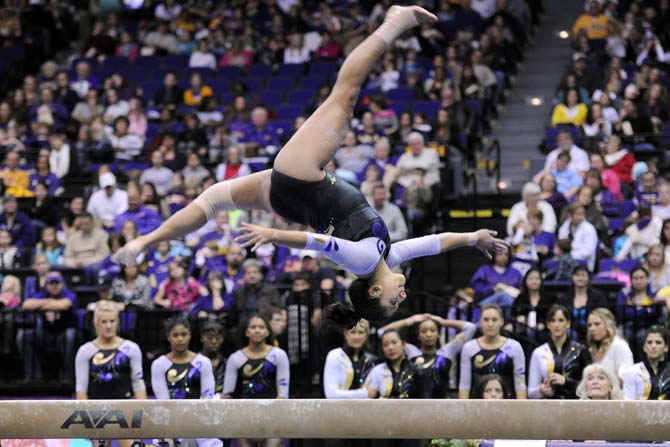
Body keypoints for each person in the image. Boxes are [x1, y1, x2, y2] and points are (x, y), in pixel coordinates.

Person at [115, 6, 506, 325]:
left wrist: (274, 235)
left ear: (374, 291)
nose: (400, 298)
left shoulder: (366, 260)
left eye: (391, 303)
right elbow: (435, 244)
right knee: (214, 199)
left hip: (302, 180)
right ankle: (145, 243)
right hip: (291, 199)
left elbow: (316, 243)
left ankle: (395, 22)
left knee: (345, 94)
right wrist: (475, 238)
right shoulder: (388, 256)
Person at [74, 301, 146, 447]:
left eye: (112, 321)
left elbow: (138, 384)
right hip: (97, 409)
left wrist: (143, 414)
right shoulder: (85, 351)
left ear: (118, 322)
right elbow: (81, 389)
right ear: (96, 323)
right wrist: (86, 418)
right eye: (104, 321)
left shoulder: (131, 348)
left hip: (124, 408)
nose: (108, 325)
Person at [151, 317, 222, 447]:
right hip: (169, 419)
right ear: (168, 337)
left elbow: (207, 398)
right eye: (175, 335)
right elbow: (163, 401)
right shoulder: (159, 364)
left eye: (183, 334)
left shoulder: (202, 362)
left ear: (190, 335)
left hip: (199, 419)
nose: (180, 339)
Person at [223, 314, 289, 447]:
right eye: (253, 327)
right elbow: (227, 395)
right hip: (245, 416)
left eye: (261, 327)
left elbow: (282, 395)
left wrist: (267, 422)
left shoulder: (278, 355)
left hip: (273, 414)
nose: (257, 330)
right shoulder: (236, 358)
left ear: (267, 332)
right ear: (247, 332)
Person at [380, 314, 476, 398]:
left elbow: (471, 328)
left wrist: (442, 321)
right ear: (418, 335)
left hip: (442, 406)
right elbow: (382, 332)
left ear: (438, 334)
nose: (428, 334)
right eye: (424, 331)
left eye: (432, 330)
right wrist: (410, 320)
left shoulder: (446, 353)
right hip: (417, 405)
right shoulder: (412, 353)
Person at [459, 304, 527, 399]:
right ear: (480, 322)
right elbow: (464, 385)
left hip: (507, 404)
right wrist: (464, 411)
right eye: (486, 320)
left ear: (501, 322)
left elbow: (520, 384)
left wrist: (521, 411)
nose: (490, 324)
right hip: (478, 406)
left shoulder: (514, 347)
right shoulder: (469, 348)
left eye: (494, 320)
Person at [528, 305, 591, 399]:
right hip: (547, 406)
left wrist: (566, 381)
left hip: (575, 405)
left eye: (561, 320)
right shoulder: (538, 352)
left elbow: (590, 386)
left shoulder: (581, 350)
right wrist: (540, 390)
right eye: (553, 320)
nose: (557, 325)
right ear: (548, 325)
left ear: (568, 323)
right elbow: (531, 392)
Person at [323, 319, 377, 399]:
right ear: (345, 334)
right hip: (339, 408)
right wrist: (364, 393)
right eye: (352, 332)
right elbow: (331, 394)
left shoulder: (371, 360)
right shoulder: (335, 356)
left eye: (361, 332)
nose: (356, 337)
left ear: (366, 335)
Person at [558, 265, 608, 341]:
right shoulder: (565, 297)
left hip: (592, 330)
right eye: (577, 275)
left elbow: (604, 315)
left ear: (588, 278)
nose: (580, 278)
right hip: (571, 332)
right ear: (572, 277)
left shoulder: (598, 296)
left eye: (583, 275)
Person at [622, 326, 670, 400]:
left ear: (666, 347)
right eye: (649, 342)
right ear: (644, 347)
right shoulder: (633, 371)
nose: (653, 346)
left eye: (658, 342)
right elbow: (628, 402)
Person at [366, 329, 417, 399]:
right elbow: (367, 398)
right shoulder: (378, 371)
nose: (390, 347)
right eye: (385, 345)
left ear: (403, 344)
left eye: (394, 342)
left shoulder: (415, 370)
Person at [587, 308, 634, 379]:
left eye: (597, 324)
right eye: (590, 325)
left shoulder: (619, 345)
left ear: (608, 325)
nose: (592, 329)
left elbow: (626, 377)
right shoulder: (594, 347)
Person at [557, 203, 598, 271]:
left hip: (583, 263)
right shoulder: (564, 227)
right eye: (578, 214)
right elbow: (561, 246)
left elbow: (588, 252)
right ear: (570, 215)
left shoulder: (589, 228)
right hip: (566, 261)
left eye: (582, 214)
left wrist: (570, 256)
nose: (581, 217)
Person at [199, 320, 227, 397]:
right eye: (209, 337)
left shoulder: (227, 364)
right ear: (202, 338)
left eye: (218, 338)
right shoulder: (194, 363)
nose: (214, 341)